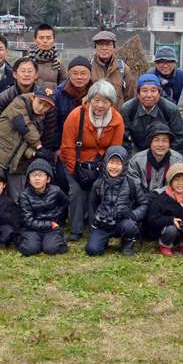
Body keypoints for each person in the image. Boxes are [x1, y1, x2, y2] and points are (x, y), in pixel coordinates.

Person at [59, 79, 124, 242]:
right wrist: (76, 173)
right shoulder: (76, 116)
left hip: (101, 165)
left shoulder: (117, 120)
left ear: (112, 103)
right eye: (96, 100)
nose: (100, 105)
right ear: (89, 99)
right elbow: (67, 147)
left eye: (105, 101)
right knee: (77, 191)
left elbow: (114, 150)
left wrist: (104, 172)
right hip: (75, 162)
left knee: (98, 189)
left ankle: (97, 227)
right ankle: (76, 230)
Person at [0, 86, 57, 202]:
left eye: (46, 106)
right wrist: (39, 146)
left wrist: (35, 154)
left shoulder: (40, 120)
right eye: (40, 102)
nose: (41, 107)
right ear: (33, 97)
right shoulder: (19, 102)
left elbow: (25, 146)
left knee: (18, 199)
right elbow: (23, 125)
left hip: (17, 164)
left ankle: (14, 221)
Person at [86, 146, 149, 256]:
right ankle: (102, 241)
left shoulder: (132, 184)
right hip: (103, 224)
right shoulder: (98, 184)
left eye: (119, 163)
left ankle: (127, 243)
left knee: (130, 225)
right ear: (106, 163)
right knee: (92, 250)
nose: (114, 167)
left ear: (124, 165)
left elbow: (144, 204)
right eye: (111, 162)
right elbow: (93, 204)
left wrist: (132, 215)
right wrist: (98, 216)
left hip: (123, 222)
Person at [0, 57, 59, 156]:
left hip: (35, 149)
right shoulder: (4, 98)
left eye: (30, 71)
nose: (26, 74)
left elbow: (48, 133)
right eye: (22, 71)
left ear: (36, 74)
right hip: (7, 148)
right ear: (14, 74)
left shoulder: (46, 99)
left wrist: (43, 153)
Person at [146, 164, 183, 256]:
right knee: (171, 229)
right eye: (176, 179)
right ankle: (165, 246)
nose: (180, 183)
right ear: (170, 181)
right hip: (167, 230)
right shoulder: (161, 198)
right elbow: (152, 218)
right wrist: (171, 220)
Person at [120, 74, 183, 155]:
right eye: (144, 90)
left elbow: (179, 139)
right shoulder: (128, 109)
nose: (149, 95)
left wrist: (167, 158)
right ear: (138, 94)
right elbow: (125, 140)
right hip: (137, 150)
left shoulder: (170, 109)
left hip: (164, 150)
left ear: (159, 93)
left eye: (153, 90)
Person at [17, 159, 69, 257]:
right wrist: (50, 224)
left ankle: (58, 239)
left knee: (52, 249)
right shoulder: (24, 196)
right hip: (32, 229)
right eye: (33, 175)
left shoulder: (56, 190)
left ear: (48, 179)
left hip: (51, 229)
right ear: (29, 179)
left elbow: (65, 204)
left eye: (41, 174)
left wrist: (57, 219)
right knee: (30, 249)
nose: (37, 178)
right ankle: (27, 240)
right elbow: (28, 221)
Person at [127, 121, 183, 194]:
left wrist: (156, 195)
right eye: (156, 140)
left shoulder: (179, 161)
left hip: (169, 202)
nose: (161, 144)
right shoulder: (136, 161)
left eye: (165, 140)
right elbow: (133, 187)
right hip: (142, 201)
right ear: (150, 142)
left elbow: (182, 187)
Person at [90, 30, 135, 107]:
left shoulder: (123, 69)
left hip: (116, 116)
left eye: (108, 44)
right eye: (100, 44)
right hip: (92, 116)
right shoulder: (88, 67)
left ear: (114, 48)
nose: (104, 48)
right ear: (95, 47)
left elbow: (129, 98)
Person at [54, 57, 93, 145]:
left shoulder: (97, 94)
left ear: (90, 75)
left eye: (83, 73)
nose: (79, 77)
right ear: (69, 75)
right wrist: (56, 147)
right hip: (64, 142)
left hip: (90, 144)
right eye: (75, 73)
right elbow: (54, 124)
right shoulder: (59, 93)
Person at [28, 23, 66, 89]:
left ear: (54, 41)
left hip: (52, 99)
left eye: (48, 38)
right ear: (35, 40)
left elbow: (63, 88)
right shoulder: (27, 61)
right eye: (41, 38)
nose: (45, 41)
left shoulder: (58, 64)